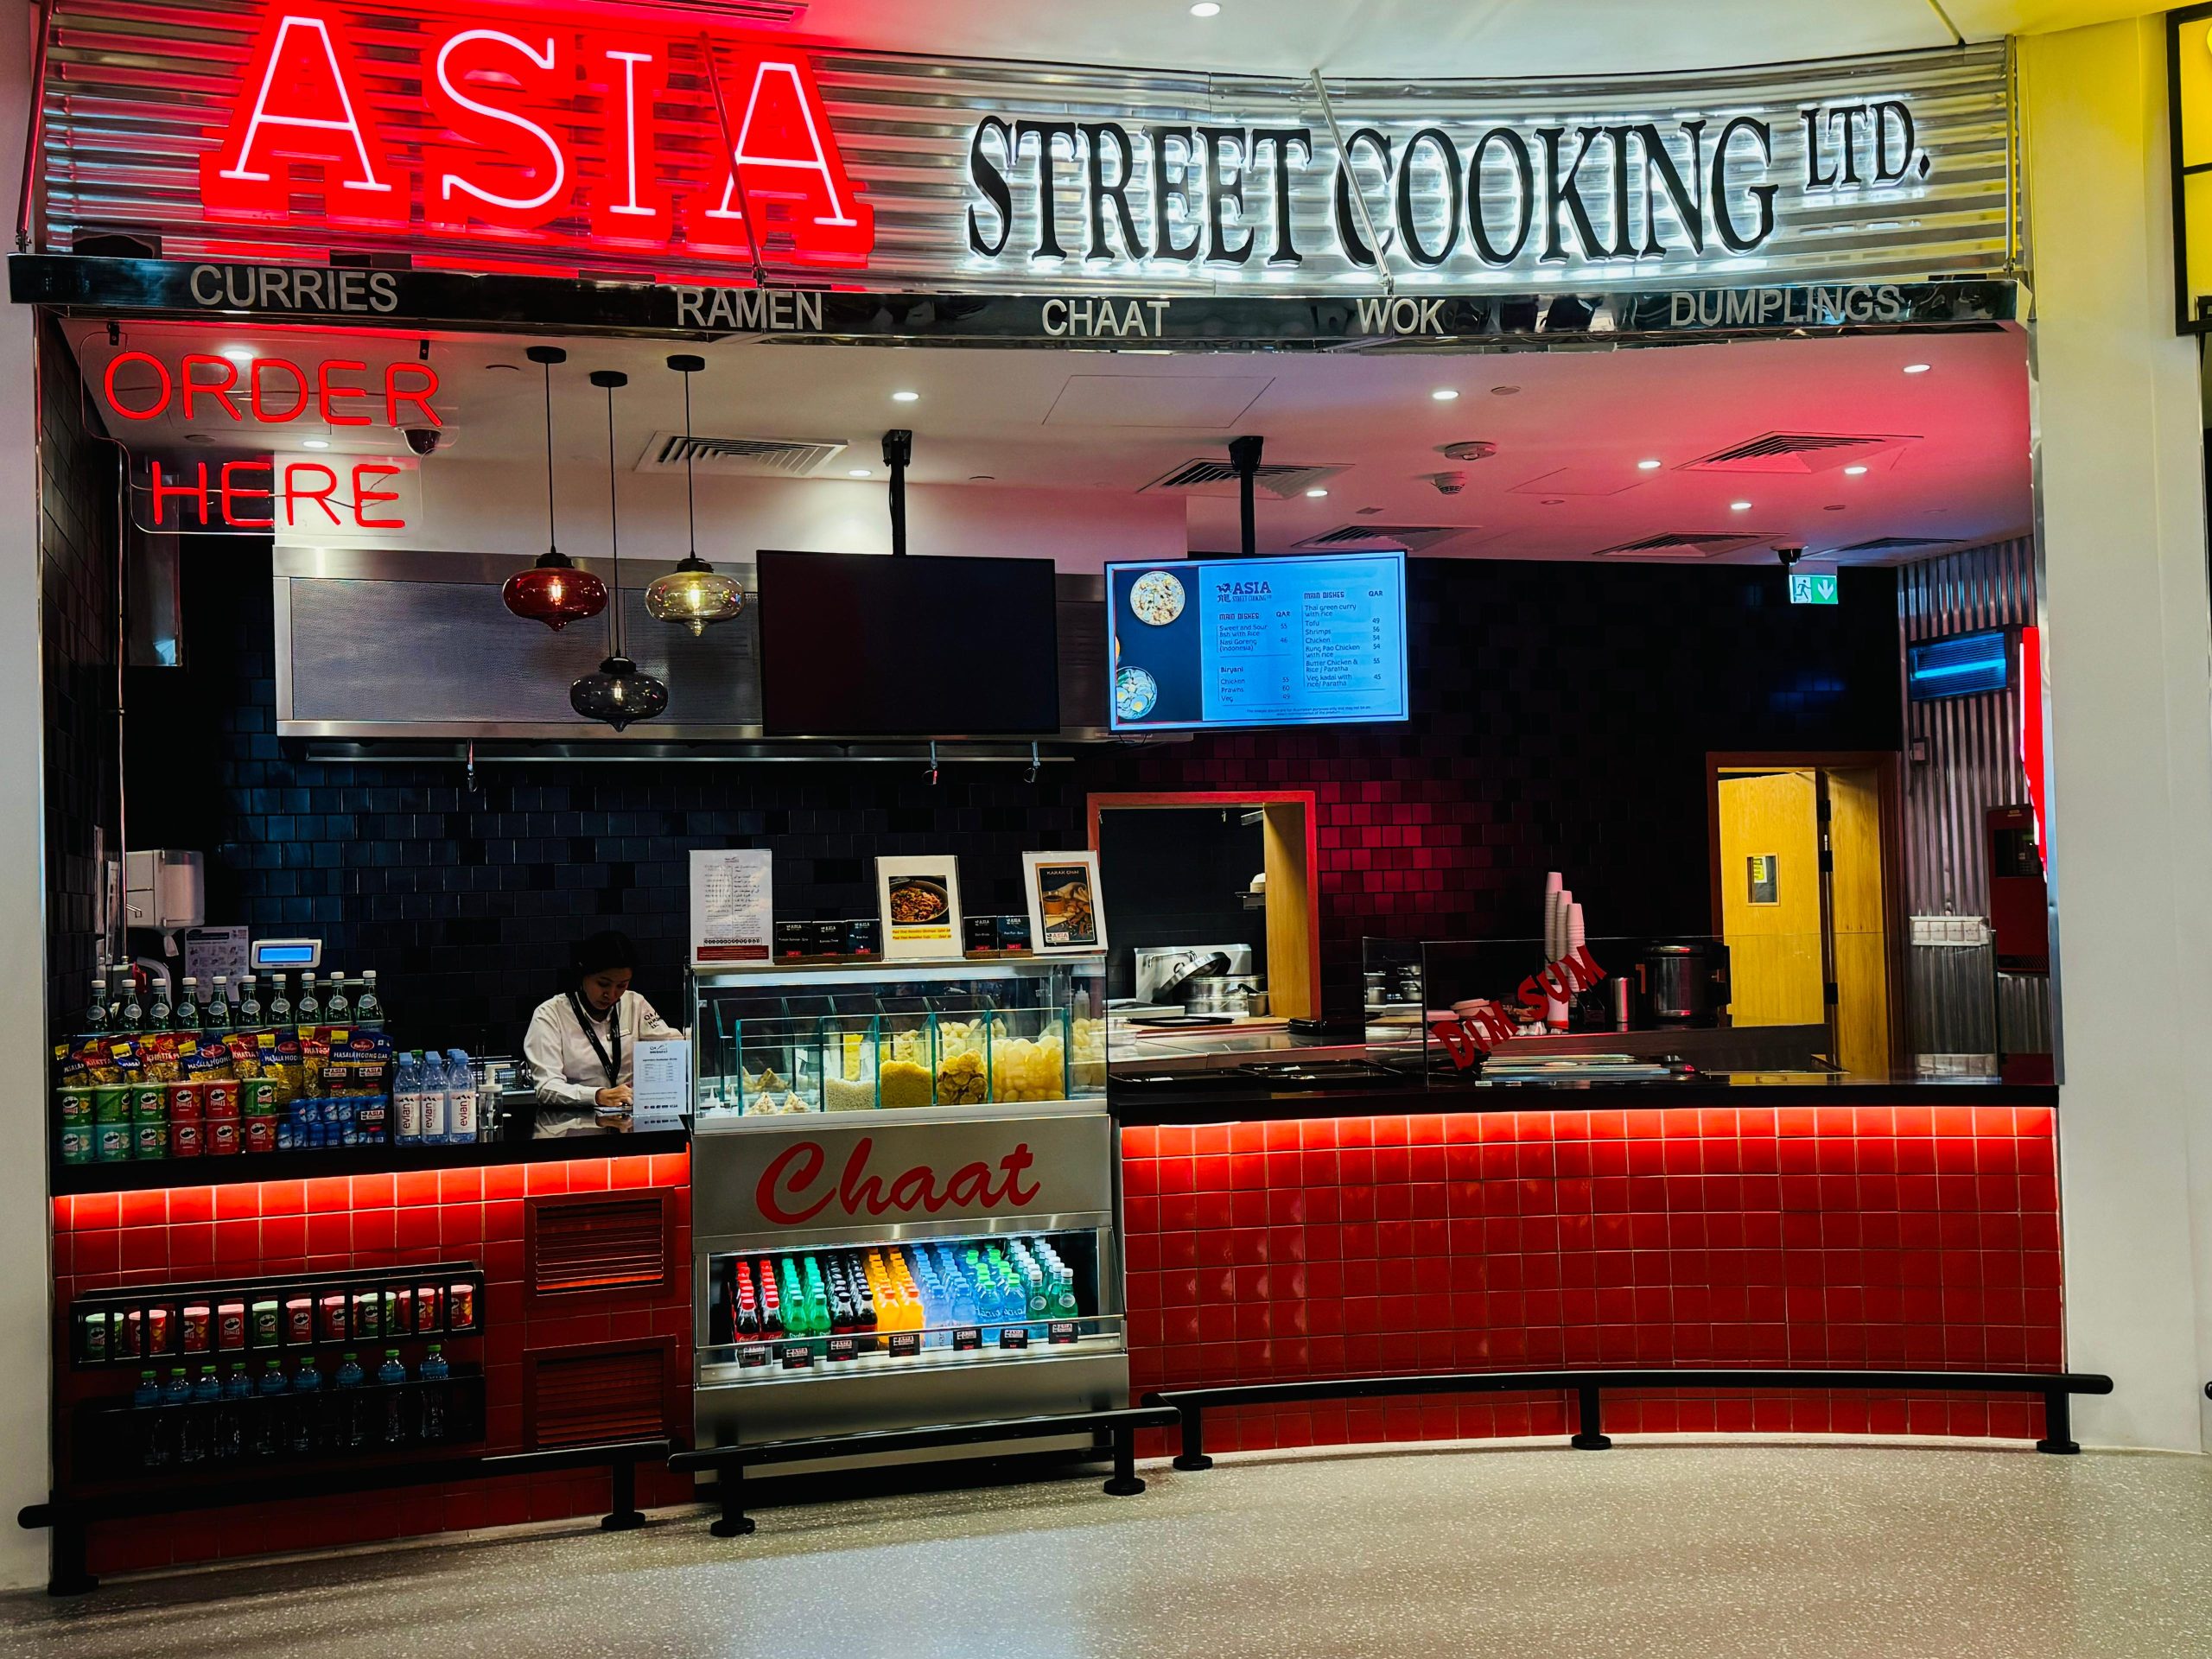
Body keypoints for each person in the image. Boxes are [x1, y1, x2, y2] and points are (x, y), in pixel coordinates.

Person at [524, 931, 682, 1137]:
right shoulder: (550, 1015)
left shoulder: (635, 1004)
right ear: (583, 974)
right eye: (603, 984)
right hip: (574, 1134)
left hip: (631, 1129)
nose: (612, 994)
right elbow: (547, 1087)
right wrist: (598, 1096)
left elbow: (672, 1044)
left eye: (622, 986)